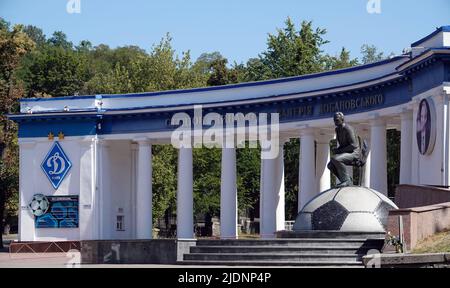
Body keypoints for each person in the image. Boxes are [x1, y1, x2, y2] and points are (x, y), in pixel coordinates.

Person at [327, 112, 361, 187]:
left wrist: (339, 151)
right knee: (330, 165)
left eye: (337, 120)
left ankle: (346, 181)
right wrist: (337, 149)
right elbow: (343, 145)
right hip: (347, 152)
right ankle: (346, 179)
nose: (335, 122)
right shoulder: (337, 130)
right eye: (334, 120)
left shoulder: (348, 129)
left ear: (342, 119)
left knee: (336, 159)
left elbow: (353, 145)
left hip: (354, 153)